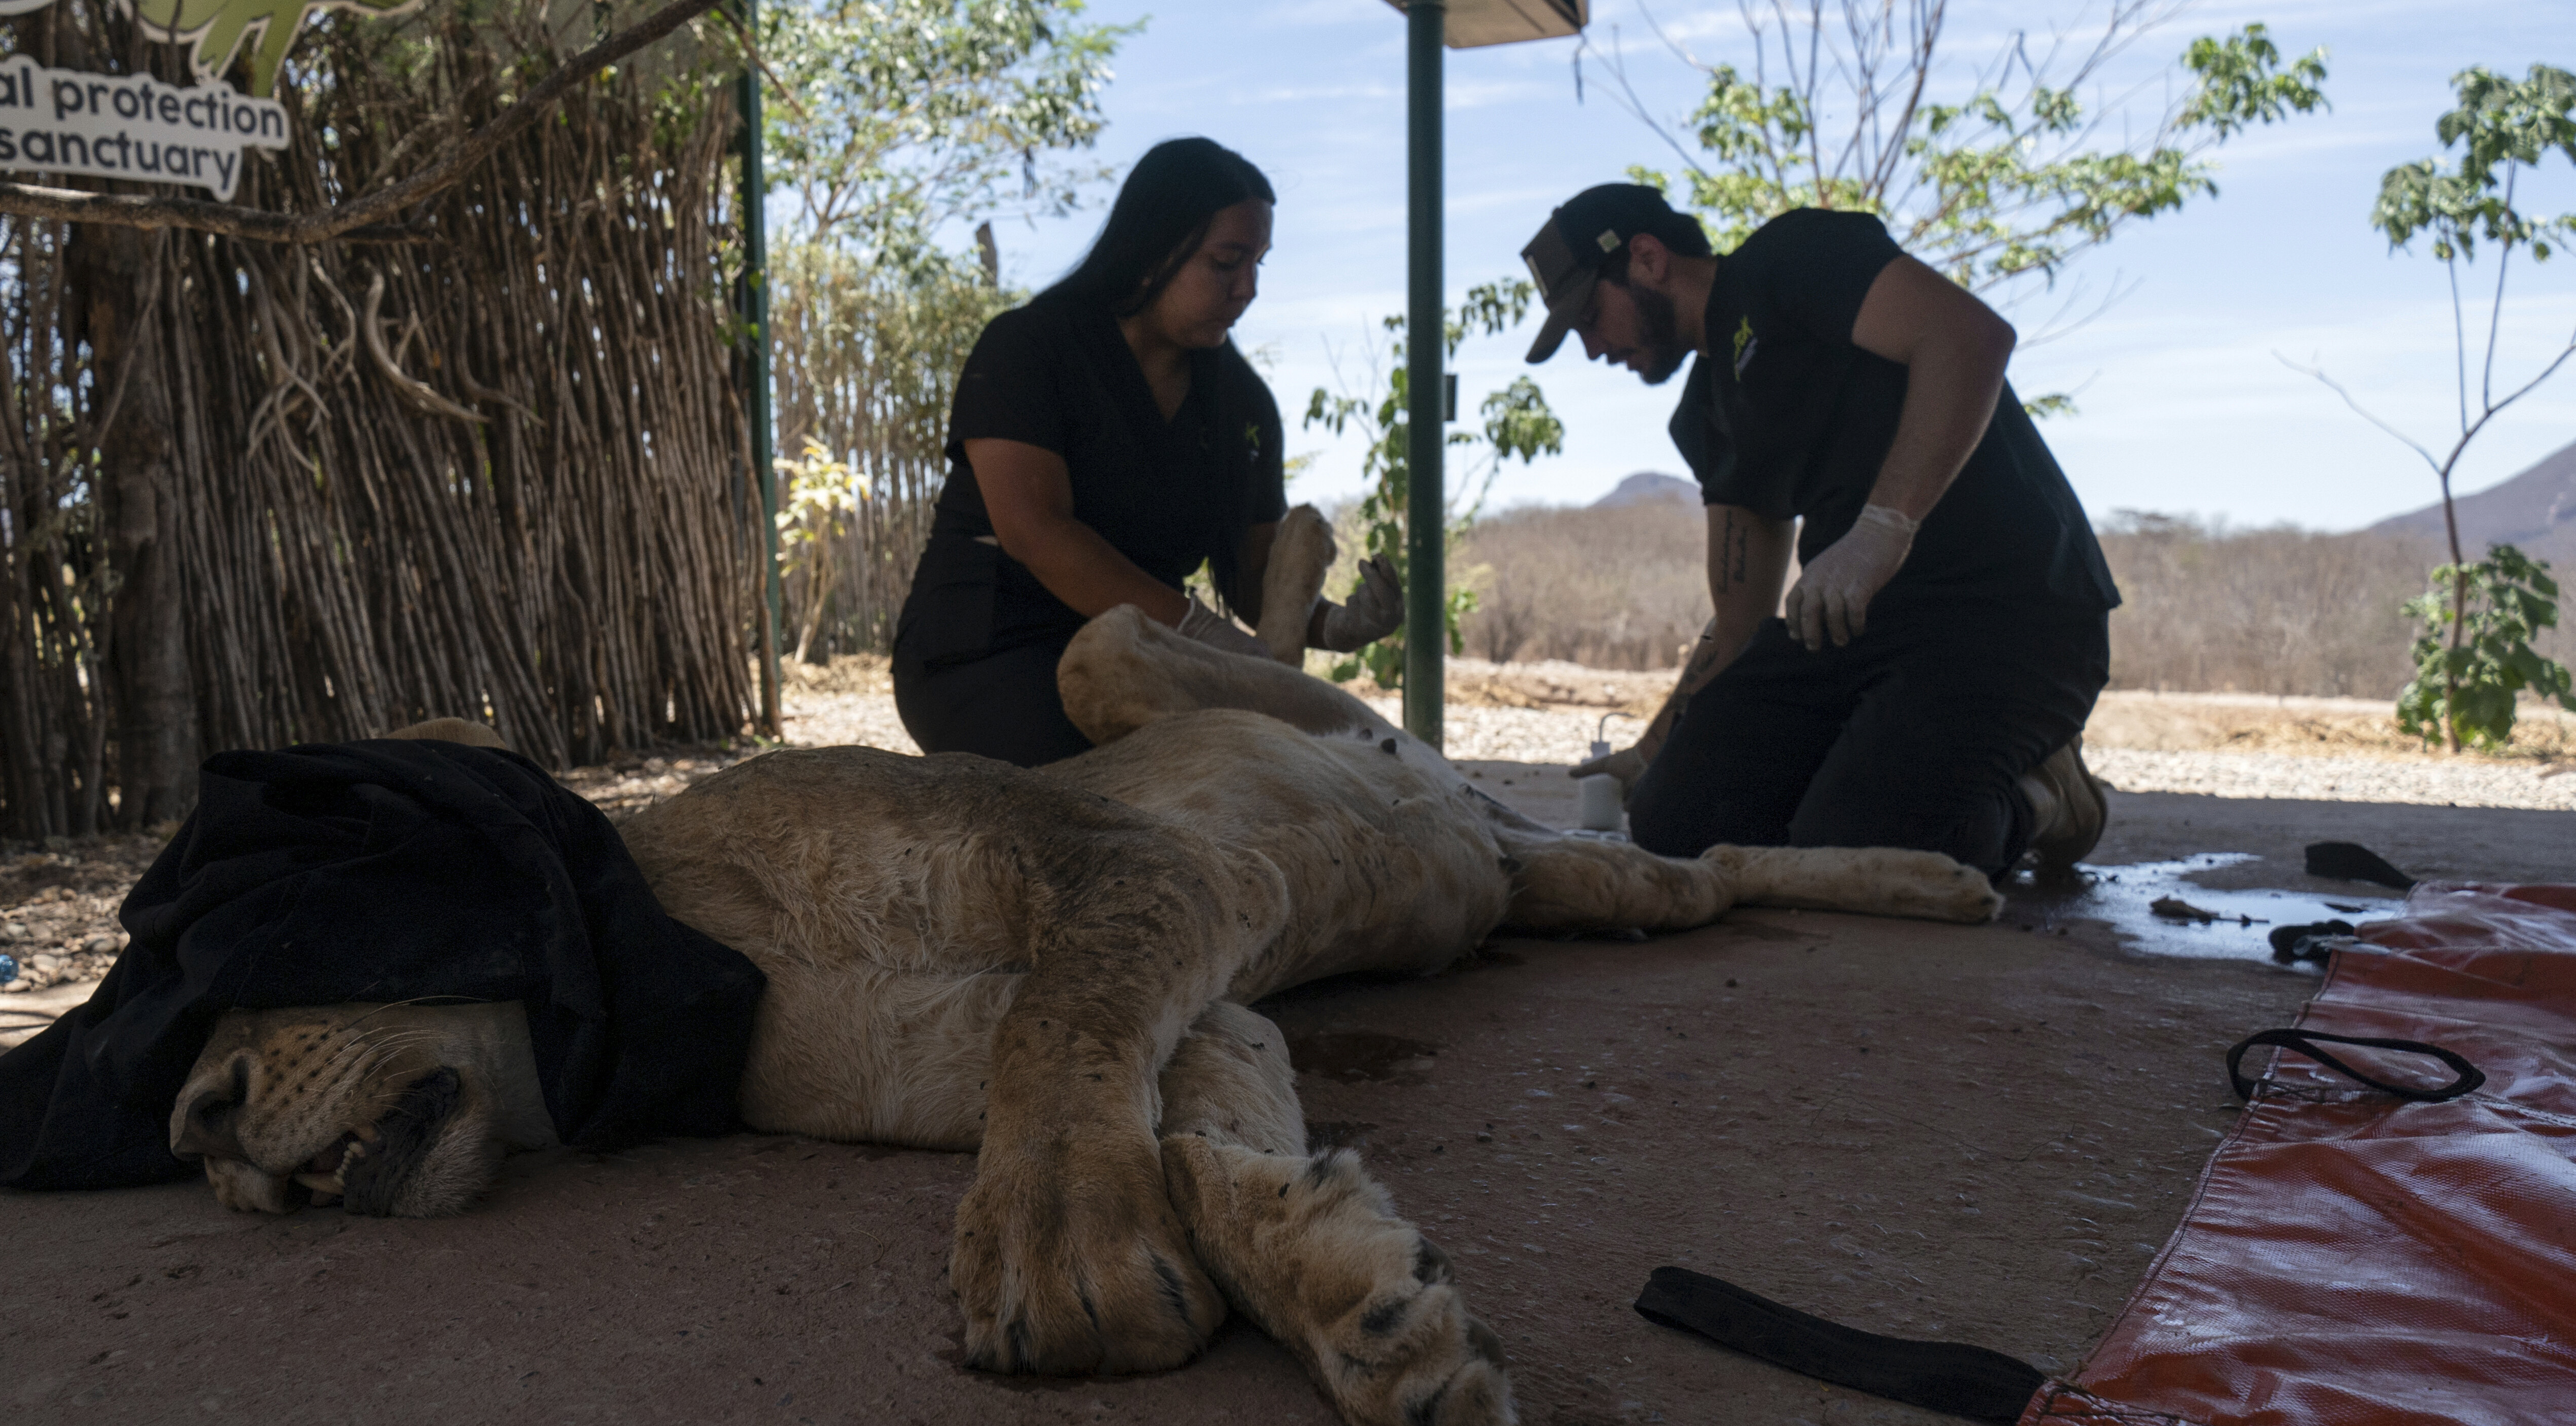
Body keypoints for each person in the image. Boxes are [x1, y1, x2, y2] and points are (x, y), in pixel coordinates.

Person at [1520, 181, 2112, 878]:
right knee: (1674, 819)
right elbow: (1740, 622)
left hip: (2008, 612)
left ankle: (2050, 797)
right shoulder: (1707, 412)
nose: (1592, 349)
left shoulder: (1791, 258)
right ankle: (1859, 787)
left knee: (1873, 840)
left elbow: (1970, 337)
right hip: (1857, 633)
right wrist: (1652, 751)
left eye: (1590, 315)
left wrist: (1881, 531)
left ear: (1648, 259)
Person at [891, 137, 1402, 764]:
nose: (1249, 289)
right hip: (990, 648)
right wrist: (1198, 631)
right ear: (1154, 249)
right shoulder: (1029, 349)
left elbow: (1253, 576)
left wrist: (1330, 624)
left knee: (1294, 769)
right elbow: (1036, 530)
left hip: (1149, 660)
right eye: (1226, 262)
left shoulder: (1242, 407)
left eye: (1259, 264)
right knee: (1125, 787)